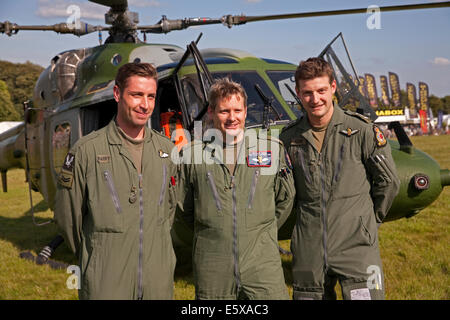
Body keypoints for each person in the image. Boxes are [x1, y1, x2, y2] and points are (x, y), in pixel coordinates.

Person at [280, 57, 400, 300]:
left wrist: (368, 223)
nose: (315, 99)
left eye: (321, 90)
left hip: (356, 243)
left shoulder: (362, 131)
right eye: (307, 93)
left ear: (333, 87)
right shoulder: (290, 137)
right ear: (298, 93)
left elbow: (389, 182)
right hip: (309, 244)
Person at [54, 62, 177, 300]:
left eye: (151, 97)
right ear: (117, 94)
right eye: (136, 95)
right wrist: (99, 254)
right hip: (106, 281)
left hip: (158, 281)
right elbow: (67, 218)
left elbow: (170, 209)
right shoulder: (86, 151)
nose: (145, 105)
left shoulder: (166, 150)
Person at [177, 78, 295, 299]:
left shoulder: (270, 150)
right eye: (224, 111)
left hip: (262, 264)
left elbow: (285, 199)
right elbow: (183, 211)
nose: (232, 118)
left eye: (237, 110)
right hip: (213, 266)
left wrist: (257, 229)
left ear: (245, 110)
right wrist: (215, 230)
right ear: (211, 112)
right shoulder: (192, 156)